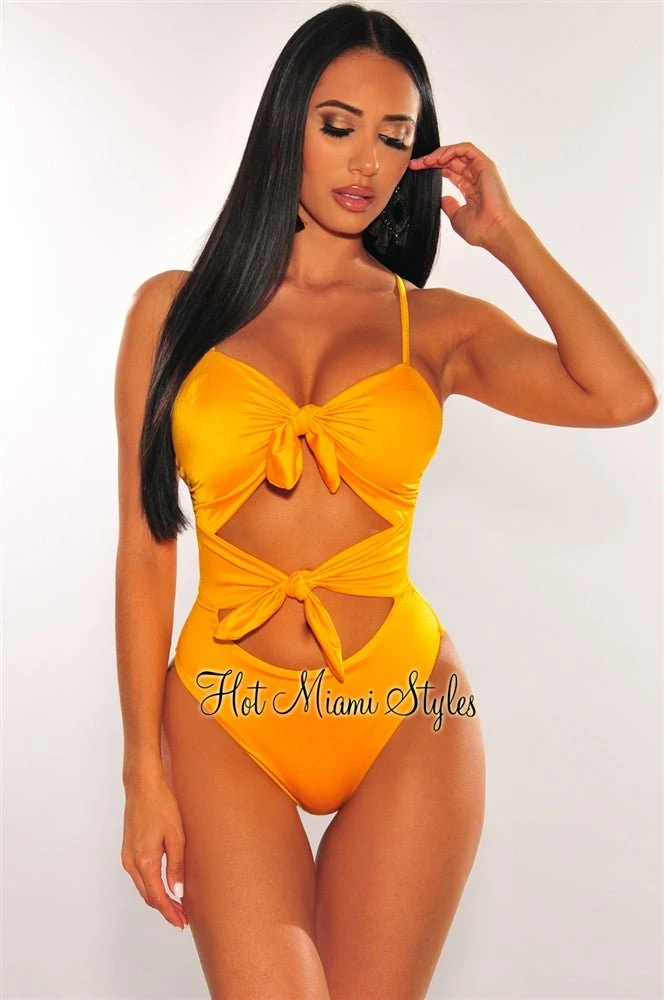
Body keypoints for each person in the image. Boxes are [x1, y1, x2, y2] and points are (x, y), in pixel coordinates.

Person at [114, 4, 660, 997]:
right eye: (339, 126)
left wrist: (508, 237)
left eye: (395, 137)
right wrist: (140, 773)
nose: (366, 162)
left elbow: (623, 395)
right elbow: (146, 545)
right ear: (287, 125)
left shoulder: (435, 326)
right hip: (227, 713)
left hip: (407, 708)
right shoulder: (173, 312)